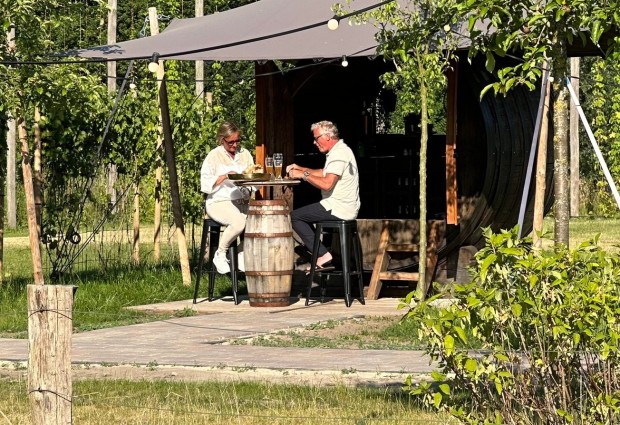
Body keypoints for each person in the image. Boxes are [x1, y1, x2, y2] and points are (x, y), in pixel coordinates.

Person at [286, 120, 360, 270]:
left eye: (316, 138)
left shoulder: (339, 153)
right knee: (301, 215)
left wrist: (303, 175)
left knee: (295, 217)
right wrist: (300, 168)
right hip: (339, 205)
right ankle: (320, 251)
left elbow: (327, 183)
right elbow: (323, 172)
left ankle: (322, 254)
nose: (314, 142)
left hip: (339, 207)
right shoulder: (338, 151)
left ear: (327, 136)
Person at [200, 121, 254, 274]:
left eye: (237, 140)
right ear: (222, 139)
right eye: (231, 142)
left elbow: (252, 177)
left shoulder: (245, 154)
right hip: (219, 201)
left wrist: (249, 179)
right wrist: (224, 177)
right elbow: (205, 184)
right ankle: (221, 253)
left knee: (262, 221)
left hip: (242, 200)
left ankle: (240, 253)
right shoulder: (214, 156)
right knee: (239, 222)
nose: (235, 145)